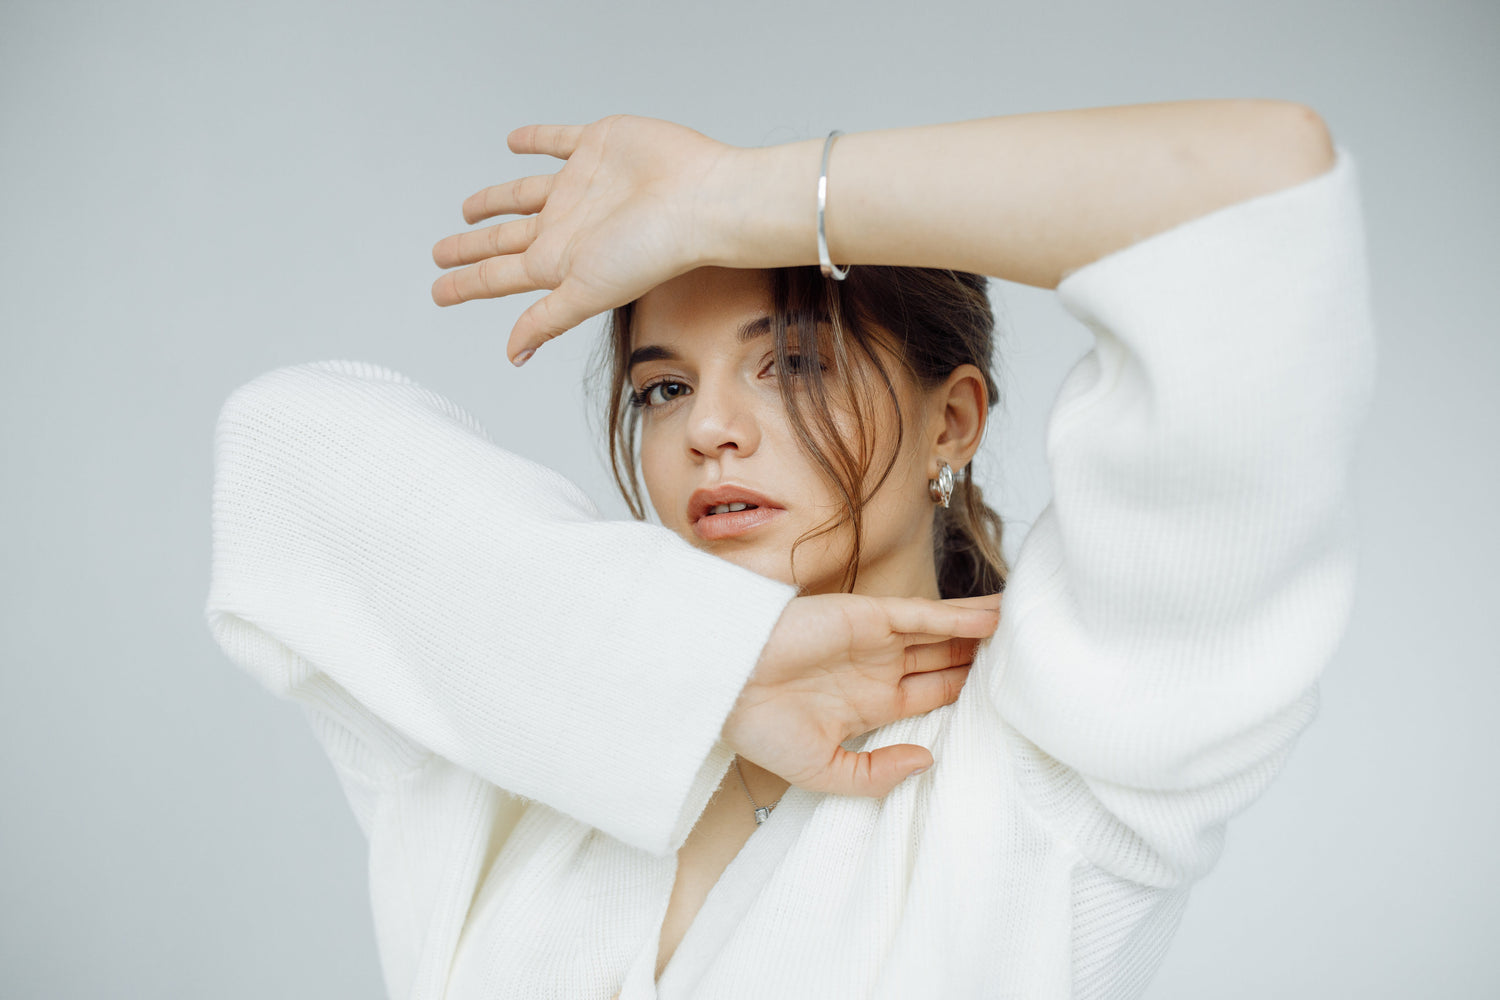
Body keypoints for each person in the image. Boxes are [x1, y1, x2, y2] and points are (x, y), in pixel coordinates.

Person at [204, 102, 1374, 999]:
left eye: (795, 361)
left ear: (953, 422)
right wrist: (724, 671)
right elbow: (281, 448)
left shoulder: (1054, 770)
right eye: (663, 387)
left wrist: (726, 197)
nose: (708, 427)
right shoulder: (523, 721)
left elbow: (1258, 202)